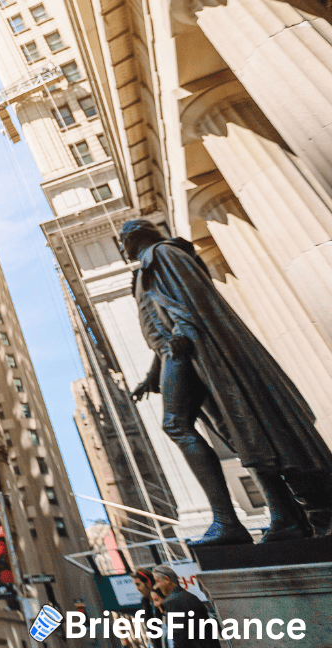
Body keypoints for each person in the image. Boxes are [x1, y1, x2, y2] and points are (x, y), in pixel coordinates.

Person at [122, 219, 332, 545]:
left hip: (189, 347)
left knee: (180, 425)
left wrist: (181, 332)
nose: (122, 244)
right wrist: (151, 377)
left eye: (124, 237)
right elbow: (159, 326)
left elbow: (189, 299)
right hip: (178, 352)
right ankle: (286, 517)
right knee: (241, 433)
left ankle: (228, 522)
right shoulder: (146, 269)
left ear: (138, 236)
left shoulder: (162, 253)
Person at [152, 564, 220, 648]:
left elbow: (179, 636)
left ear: (166, 579)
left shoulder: (173, 601)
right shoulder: (190, 596)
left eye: (157, 581)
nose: (156, 586)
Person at [131, 569, 163, 648]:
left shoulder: (163, 600)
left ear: (148, 583)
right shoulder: (146, 603)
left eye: (138, 584)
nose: (137, 588)